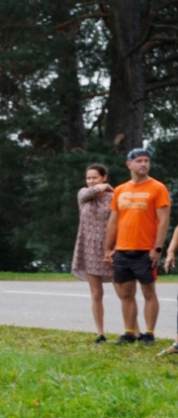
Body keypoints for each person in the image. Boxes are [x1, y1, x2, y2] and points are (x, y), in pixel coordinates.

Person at [106, 147, 172, 344]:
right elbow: (113, 221)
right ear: (129, 164)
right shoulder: (120, 190)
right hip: (123, 249)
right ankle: (129, 333)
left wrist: (157, 248)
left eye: (146, 161)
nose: (143, 164)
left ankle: (149, 334)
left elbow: (163, 221)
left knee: (148, 292)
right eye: (139, 161)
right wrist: (108, 248)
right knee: (126, 293)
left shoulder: (158, 188)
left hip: (146, 250)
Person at [74, 163, 116, 343]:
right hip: (89, 249)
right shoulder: (83, 195)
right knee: (96, 294)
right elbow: (89, 192)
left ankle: (133, 331)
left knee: (124, 292)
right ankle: (101, 333)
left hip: (111, 248)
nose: (91, 181)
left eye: (95, 178)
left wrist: (115, 247)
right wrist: (104, 186)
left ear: (104, 176)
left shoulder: (114, 197)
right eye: (88, 178)